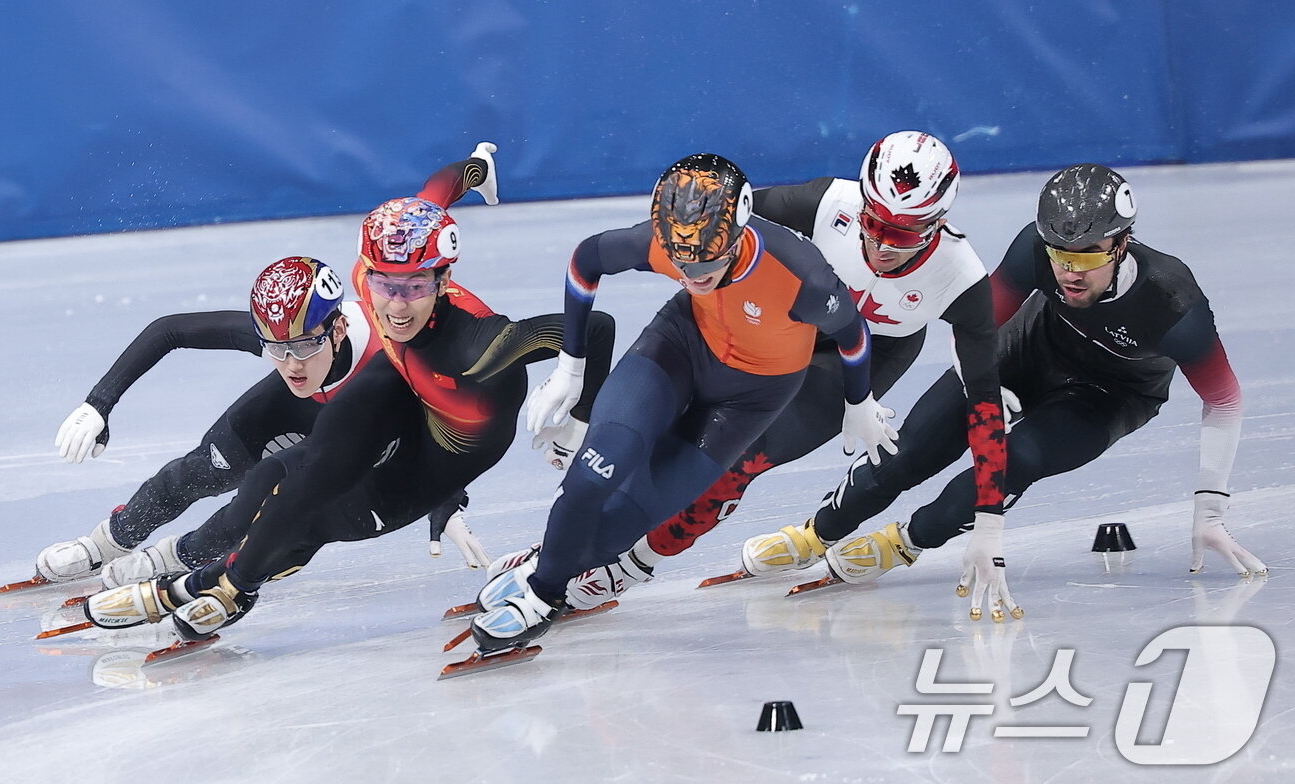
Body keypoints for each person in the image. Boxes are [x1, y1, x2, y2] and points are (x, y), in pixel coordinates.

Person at [77, 176, 618, 642]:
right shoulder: (367, 279)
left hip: (439, 451)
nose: (395, 304)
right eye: (385, 283)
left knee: (315, 518)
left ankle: (223, 583)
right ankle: (225, 582)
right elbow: (437, 191)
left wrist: (577, 411)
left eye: (413, 287)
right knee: (280, 474)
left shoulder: (484, 344)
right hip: (406, 388)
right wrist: (477, 169)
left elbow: (596, 326)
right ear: (368, 272)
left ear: (443, 281)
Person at [738, 163, 1266, 621]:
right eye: (1060, 255)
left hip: (1109, 395)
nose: (1068, 271)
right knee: (912, 448)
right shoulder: (1034, 248)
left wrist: (1210, 508)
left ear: (1122, 243)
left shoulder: (1173, 305)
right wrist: (982, 383)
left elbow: (1225, 400)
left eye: (1086, 258)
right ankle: (818, 531)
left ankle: (907, 542)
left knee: (1016, 459)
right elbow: (978, 324)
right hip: (1024, 352)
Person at [553, 131, 1010, 612]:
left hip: (866, 355)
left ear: (938, 223)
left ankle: (633, 564)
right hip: (783, 319)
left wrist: (990, 521)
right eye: (872, 221)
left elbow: (982, 399)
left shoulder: (960, 278)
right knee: (658, 418)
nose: (879, 243)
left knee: (742, 457)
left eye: (901, 234)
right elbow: (710, 225)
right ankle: (582, 536)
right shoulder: (827, 202)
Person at [467, 153, 897, 654]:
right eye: (681, 260)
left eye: (707, 263)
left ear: (737, 236)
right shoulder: (671, 241)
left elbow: (853, 333)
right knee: (591, 477)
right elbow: (585, 260)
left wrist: (860, 400)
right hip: (681, 346)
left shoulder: (802, 276)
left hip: (751, 399)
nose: (692, 272)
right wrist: (571, 366)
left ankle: (556, 559)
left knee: (616, 532)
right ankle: (542, 593)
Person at [31, 146, 505, 589]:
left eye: (301, 347)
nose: (290, 363)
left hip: (359, 422)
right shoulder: (288, 339)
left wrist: (448, 501)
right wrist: (99, 405)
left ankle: (165, 565)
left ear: (338, 329)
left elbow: (444, 427)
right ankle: (104, 544)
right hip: (305, 411)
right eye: (275, 349)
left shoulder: (399, 353)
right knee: (198, 471)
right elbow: (169, 330)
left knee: (251, 512)